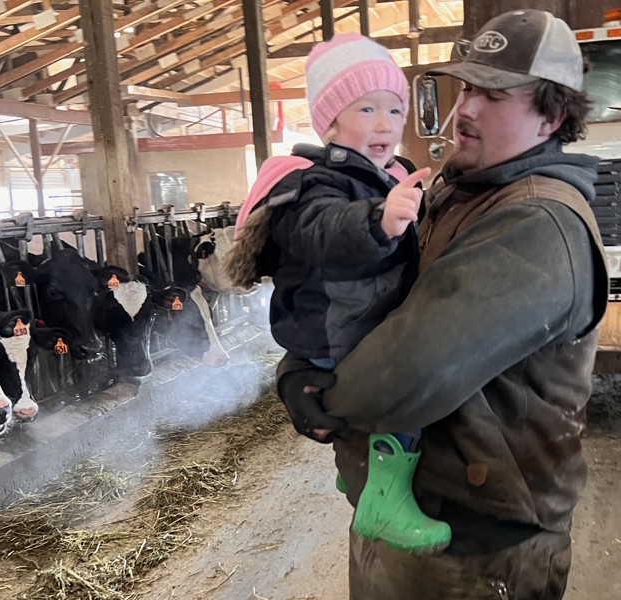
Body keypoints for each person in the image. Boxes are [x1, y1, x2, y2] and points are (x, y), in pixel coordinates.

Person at [277, 9, 610, 599]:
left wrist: (314, 390)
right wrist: (301, 358)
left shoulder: (536, 221)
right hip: (421, 513)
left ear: (552, 115)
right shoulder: (462, 189)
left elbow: (410, 368)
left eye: (495, 94)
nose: (466, 108)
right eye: (468, 87)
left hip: (476, 550)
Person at [225, 32, 451, 552]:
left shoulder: (384, 174)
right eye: (366, 108)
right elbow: (324, 231)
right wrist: (378, 220)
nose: (384, 124)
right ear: (330, 121)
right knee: (417, 376)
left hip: (358, 320)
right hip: (338, 330)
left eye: (395, 110)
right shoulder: (313, 183)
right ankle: (385, 500)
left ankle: (357, 473)